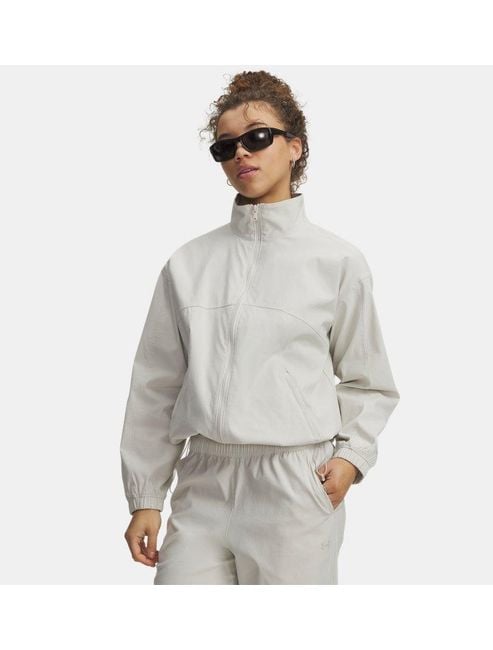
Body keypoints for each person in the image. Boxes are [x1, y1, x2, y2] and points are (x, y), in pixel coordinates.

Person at [120, 70, 400, 584]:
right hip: (203, 482)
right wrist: (146, 496)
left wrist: (351, 457)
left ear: (295, 146)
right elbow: (156, 386)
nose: (241, 154)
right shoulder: (188, 264)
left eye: (258, 137)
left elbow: (369, 380)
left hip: (294, 486)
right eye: (226, 146)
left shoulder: (336, 262)